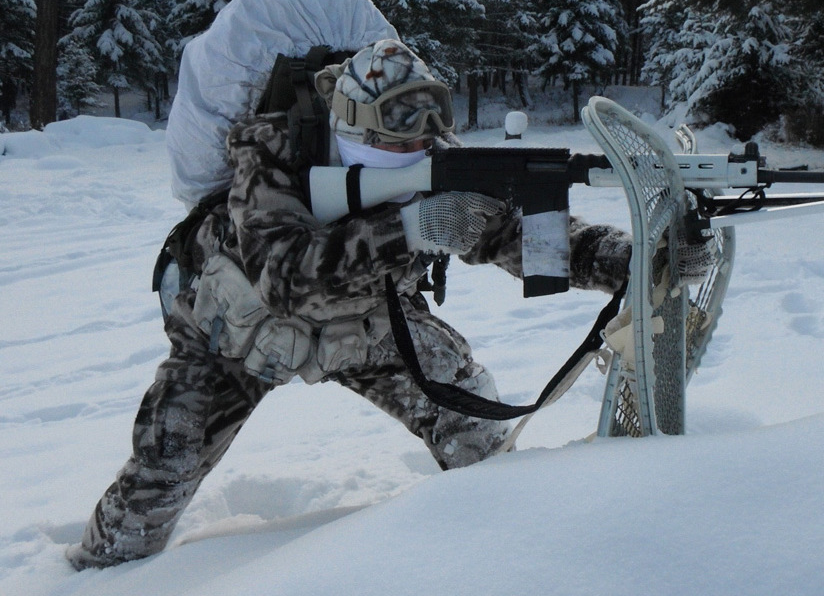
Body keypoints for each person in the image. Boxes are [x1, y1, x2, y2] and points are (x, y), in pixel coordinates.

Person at [67, 38, 632, 570]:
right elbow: (284, 278)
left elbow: (517, 237)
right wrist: (410, 228)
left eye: (430, 133)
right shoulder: (271, 153)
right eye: (401, 134)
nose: (422, 147)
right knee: (160, 475)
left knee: (477, 437)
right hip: (234, 332)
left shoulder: (435, 160)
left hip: (367, 324)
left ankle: (513, 556)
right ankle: (93, 577)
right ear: (354, 126)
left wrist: (629, 260)